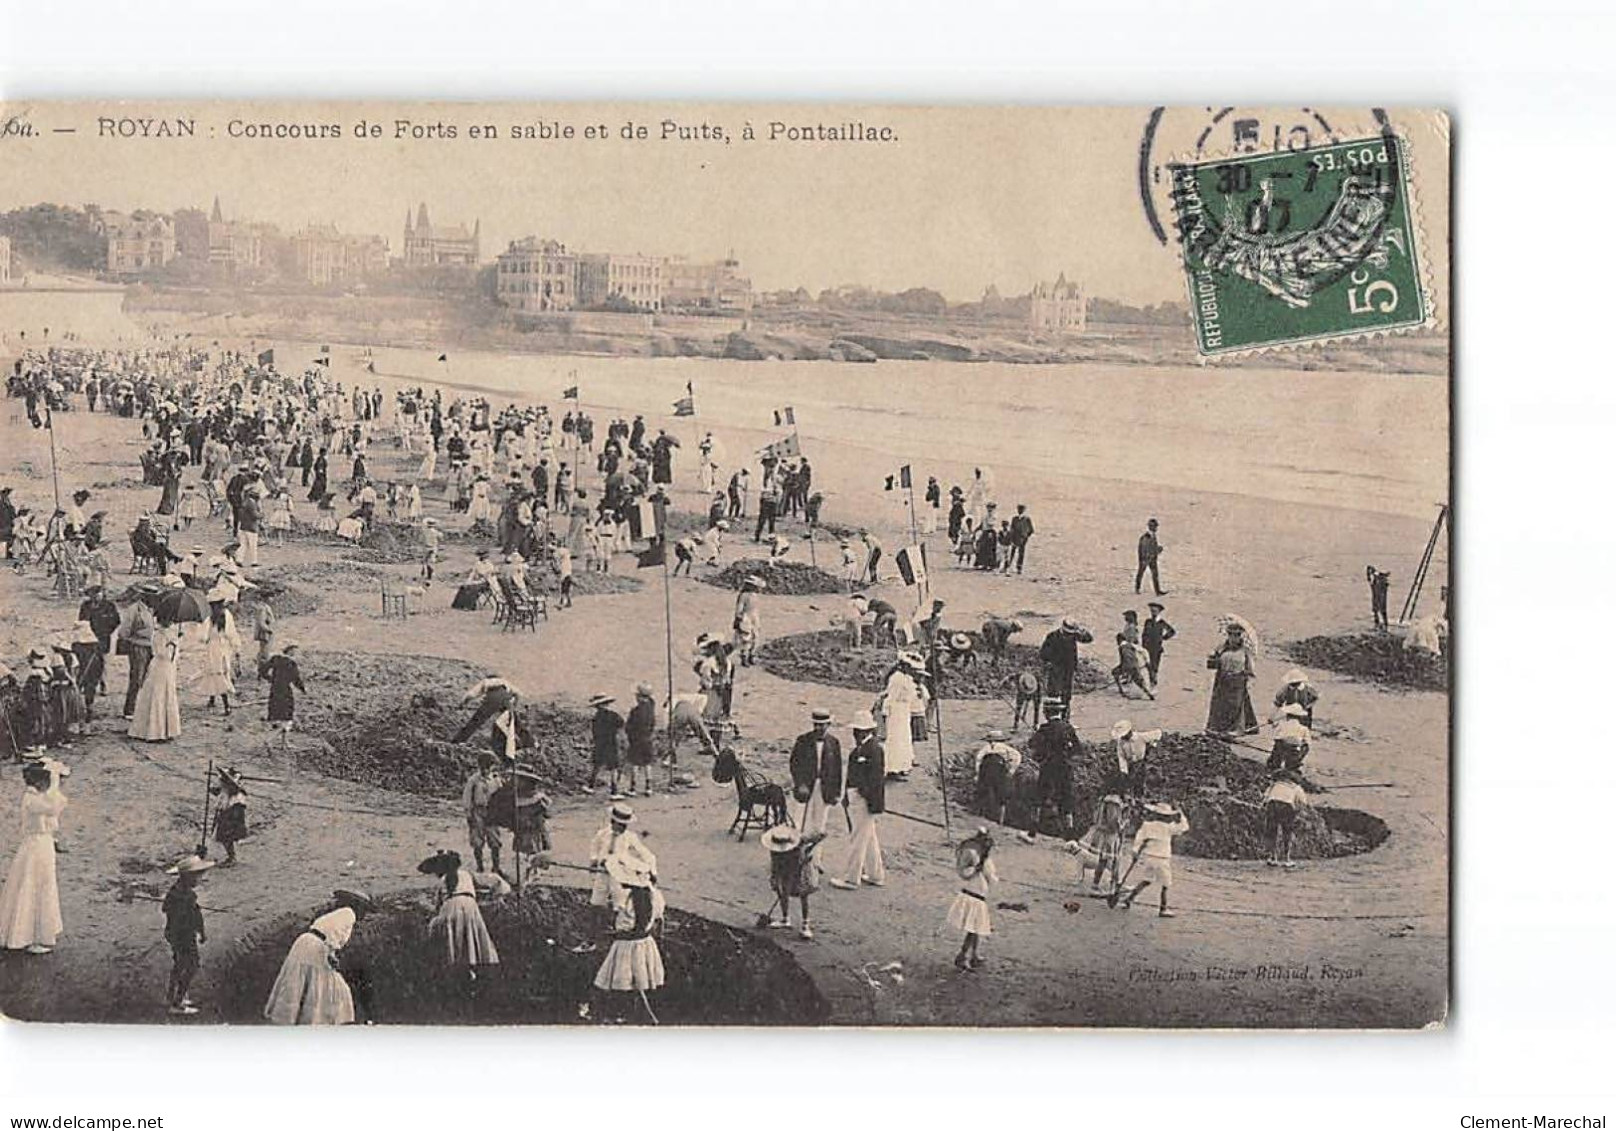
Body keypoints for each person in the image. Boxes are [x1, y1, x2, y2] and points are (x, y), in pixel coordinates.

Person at [263, 890, 376, 1025]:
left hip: (307, 944)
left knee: (308, 982)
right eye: (364, 909)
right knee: (337, 988)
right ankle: (322, 1019)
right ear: (358, 906)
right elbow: (332, 933)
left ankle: (297, 1018)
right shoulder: (348, 914)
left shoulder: (336, 914)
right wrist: (331, 952)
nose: (364, 914)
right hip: (316, 947)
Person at [0, 760, 68, 954]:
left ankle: (30, 934)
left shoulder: (36, 797)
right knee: (35, 887)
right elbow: (55, 806)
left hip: (41, 845)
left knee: (37, 886)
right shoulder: (33, 800)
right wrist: (54, 782)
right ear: (40, 783)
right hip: (36, 848)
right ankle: (29, 936)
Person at [593, 856, 666, 1018]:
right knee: (638, 979)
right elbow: (658, 919)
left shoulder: (626, 898)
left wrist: (609, 934)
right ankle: (638, 1010)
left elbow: (616, 917)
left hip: (627, 945)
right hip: (645, 943)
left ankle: (629, 1013)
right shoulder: (655, 895)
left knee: (622, 980)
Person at [829, 710, 886, 891]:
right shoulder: (860, 748)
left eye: (858, 730)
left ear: (866, 730)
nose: (855, 734)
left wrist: (867, 797)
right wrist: (847, 794)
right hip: (855, 795)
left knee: (858, 838)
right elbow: (852, 775)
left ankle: (851, 878)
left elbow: (876, 779)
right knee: (868, 837)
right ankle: (876, 874)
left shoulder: (874, 749)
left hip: (864, 799)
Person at [422, 850, 500, 980]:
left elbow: (437, 907)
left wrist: (425, 906)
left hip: (450, 907)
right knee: (471, 936)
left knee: (453, 937)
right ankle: (473, 969)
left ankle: (456, 970)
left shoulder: (442, 881)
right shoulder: (466, 874)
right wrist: (494, 895)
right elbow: (491, 881)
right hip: (470, 905)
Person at [1112, 801, 1189, 917]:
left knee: (1146, 880)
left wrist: (1135, 852)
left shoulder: (1147, 825)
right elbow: (1184, 827)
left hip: (1149, 857)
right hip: (1162, 859)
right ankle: (1163, 908)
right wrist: (1181, 813)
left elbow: (1139, 839)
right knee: (1165, 884)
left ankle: (1129, 899)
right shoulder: (1169, 827)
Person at [162, 854, 215, 1015]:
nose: (199, 879)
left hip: (178, 934)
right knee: (191, 966)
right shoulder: (182, 895)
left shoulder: (179, 893)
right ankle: (177, 1003)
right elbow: (190, 917)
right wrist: (198, 929)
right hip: (182, 936)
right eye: (197, 876)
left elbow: (166, 908)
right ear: (188, 877)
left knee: (179, 965)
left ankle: (172, 997)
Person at [763, 824, 826, 941]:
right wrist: (775, 878)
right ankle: (785, 918)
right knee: (781, 890)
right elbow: (775, 867)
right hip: (783, 870)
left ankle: (805, 924)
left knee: (803, 894)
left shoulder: (799, 842)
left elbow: (818, 836)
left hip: (800, 869)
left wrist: (815, 841)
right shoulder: (774, 851)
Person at [948, 828, 998, 972]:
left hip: (974, 895)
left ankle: (974, 955)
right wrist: (981, 870)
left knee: (976, 928)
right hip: (975, 897)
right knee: (973, 929)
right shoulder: (981, 860)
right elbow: (991, 879)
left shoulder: (976, 857)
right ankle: (962, 955)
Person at [788, 708, 843, 836]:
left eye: (822, 725)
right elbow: (794, 764)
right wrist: (800, 783)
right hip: (806, 786)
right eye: (816, 725)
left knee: (819, 825)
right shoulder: (803, 740)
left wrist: (836, 793)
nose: (818, 728)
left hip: (825, 788)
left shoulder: (834, 743)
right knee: (799, 822)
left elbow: (837, 770)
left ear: (828, 725)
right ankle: (797, 853)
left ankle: (816, 854)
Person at [128, 621, 182, 742]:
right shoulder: (157, 634)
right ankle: (155, 731)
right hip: (159, 666)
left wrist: (176, 644)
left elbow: (175, 655)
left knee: (168, 695)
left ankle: (168, 730)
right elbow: (160, 652)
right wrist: (170, 645)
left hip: (169, 668)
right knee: (157, 695)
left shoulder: (171, 633)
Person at [1068, 794, 1128, 896]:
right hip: (1108, 835)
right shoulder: (1113, 803)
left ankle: (1112, 883)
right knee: (1108, 860)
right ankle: (1105, 884)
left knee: (1108, 860)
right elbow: (1112, 822)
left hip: (1107, 833)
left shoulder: (1107, 800)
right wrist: (1123, 825)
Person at [1206, 620, 1259, 736]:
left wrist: (1247, 677)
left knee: (1236, 705)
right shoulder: (1221, 648)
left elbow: (1249, 667)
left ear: (1240, 636)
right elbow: (1211, 664)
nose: (1233, 638)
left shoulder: (1245, 650)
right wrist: (1213, 659)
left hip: (1238, 679)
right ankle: (1216, 728)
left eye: (1236, 635)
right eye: (1231, 634)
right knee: (1219, 703)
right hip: (1222, 678)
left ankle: (1235, 729)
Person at [880, 653, 925, 778]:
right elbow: (891, 697)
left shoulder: (908, 679)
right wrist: (886, 713)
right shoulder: (896, 678)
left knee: (904, 738)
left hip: (904, 711)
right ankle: (892, 769)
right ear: (904, 666)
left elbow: (911, 696)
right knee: (895, 740)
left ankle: (902, 766)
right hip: (895, 712)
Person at [118, 593, 158, 720]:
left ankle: (142, 707)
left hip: (151, 646)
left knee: (148, 678)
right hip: (137, 646)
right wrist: (134, 638)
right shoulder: (134, 610)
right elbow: (124, 631)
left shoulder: (151, 609)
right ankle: (129, 709)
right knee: (136, 677)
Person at [1039, 616, 1093, 708]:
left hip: (1069, 667)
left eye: (1071, 634)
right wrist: (1048, 663)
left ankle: (1065, 715)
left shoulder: (1073, 635)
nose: (1069, 636)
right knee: (1053, 692)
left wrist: (1083, 631)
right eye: (1067, 633)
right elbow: (1043, 653)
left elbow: (1088, 639)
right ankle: (1053, 714)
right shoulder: (1052, 636)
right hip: (1056, 667)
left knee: (1067, 693)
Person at [463, 753, 503, 874]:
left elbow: (501, 796)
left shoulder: (496, 779)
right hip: (478, 812)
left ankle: (496, 867)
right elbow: (467, 798)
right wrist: (469, 814)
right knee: (477, 841)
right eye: (485, 766)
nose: (487, 769)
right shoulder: (473, 780)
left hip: (492, 813)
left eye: (490, 766)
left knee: (495, 841)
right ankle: (480, 866)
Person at [261, 642, 306, 750]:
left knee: (278, 716)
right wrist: (303, 690)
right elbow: (296, 680)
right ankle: (269, 740)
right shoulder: (291, 664)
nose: (295, 652)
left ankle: (283, 743)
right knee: (286, 717)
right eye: (294, 650)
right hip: (285, 692)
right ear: (290, 650)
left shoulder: (275, 659)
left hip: (275, 691)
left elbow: (262, 670)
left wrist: (270, 679)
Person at [973, 728, 1022, 825]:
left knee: (986, 793)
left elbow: (978, 760)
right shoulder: (1006, 748)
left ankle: (985, 816)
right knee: (1001, 795)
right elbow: (1017, 756)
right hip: (999, 772)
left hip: (988, 772)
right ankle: (999, 819)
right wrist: (1012, 769)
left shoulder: (986, 748)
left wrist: (978, 774)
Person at [1263, 769, 1310, 869]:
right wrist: (1298, 812)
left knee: (1272, 832)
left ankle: (1273, 857)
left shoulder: (1274, 785)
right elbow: (1303, 803)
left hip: (1272, 805)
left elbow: (1265, 798)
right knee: (1287, 832)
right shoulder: (1296, 788)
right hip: (1286, 806)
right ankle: (1287, 859)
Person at [198, 602, 237, 716]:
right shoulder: (226, 616)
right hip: (223, 648)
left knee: (215, 674)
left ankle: (226, 705)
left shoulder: (209, 619)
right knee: (221, 674)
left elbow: (203, 637)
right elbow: (231, 634)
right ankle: (213, 700)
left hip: (213, 649)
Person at [588, 693, 627, 797]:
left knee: (597, 765)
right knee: (613, 767)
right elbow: (621, 724)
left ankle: (590, 786)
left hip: (600, 743)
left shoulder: (596, 718)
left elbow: (594, 732)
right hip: (611, 743)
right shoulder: (613, 715)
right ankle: (614, 791)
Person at [1111, 719, 1162, 797]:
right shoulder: (1121, 743)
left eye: (1124, 736)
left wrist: (1153, 745)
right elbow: (1121, 757)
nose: (1123, 738)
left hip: (1142, 762)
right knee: (1131, 781)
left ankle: (1145, 794)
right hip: (1131, 764)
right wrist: (1124, 771)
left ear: (1129, 732)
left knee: (1144, 779)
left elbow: (1158, 733)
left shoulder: (1140, 737)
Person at [624, 684, 658, 796]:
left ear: (639, 696)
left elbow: (628, 727)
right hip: (648, 739)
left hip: (637, 740)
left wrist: (629, 736)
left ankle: (633, 788)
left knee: (635, 764)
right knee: (647, 764)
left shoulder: (635, 711)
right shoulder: (651, 708)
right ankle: (648, 787)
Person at [211, 767, 249, 866]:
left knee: (227, 837)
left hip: (232, 816)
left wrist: (230, 819)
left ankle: (232, 858)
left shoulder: (238, 795)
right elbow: (219, 792)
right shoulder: (226, 789)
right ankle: (231, 856)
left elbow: (238, 809)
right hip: (226, 814)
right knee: (224, 837)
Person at [1266, 703, 1312, 771]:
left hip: (1280, 748)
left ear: (1287, 716)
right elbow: (1307, 744)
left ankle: (1274, 764)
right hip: (1294, 750)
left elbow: (1275, 734)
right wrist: (1300, 757)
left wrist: (1273, 722)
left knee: (1273, 760)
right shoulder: (1304, 728)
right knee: (1294, 761)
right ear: (1300, 717)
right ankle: (1294, 764)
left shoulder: (1281, 724)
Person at [733, 574, 765, 666]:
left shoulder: (755, 596)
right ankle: (744, 657)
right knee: (746, 638)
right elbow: (739, 608)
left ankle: (752, 655)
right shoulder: (744, 596)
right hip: (746, 617)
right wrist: (738, 618)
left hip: (754, 617)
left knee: (756, 637)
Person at [1141, 602, 1175, 688]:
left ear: (1159, 612)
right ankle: (1149, 680)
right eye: (1152, 611)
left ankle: (1153, 681)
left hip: (1156, 647)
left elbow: (1172, 631)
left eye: (1155, 611)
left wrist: (1163, 638)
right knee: (1147, 664)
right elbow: (1144, 634)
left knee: (1155, 664)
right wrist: (1143, 644)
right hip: (1147, 646)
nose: (1153, 613)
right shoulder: (1148, 621)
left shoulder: (1161, 623)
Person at [1135, 517, 1165, 596]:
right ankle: (1137, 588)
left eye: (1156, 526)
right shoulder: (1146, 537)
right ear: (1150, 527)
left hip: (1152, 558)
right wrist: (1144, 558)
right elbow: (1144, 549)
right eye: (1155, 526)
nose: (1156, 528)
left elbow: (1151, 547)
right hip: (1146, 559)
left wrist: (1157, 550)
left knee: (1155, 575)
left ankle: (1157, 591)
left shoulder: (1152, 536)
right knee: (1141, 573)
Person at [1367, 566, 1391, 631]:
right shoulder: (1375, 581)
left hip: (1379, 596)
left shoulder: (1380, 583)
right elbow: (1369, 568)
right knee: (1377, 609)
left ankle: (1384, 625)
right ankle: (1379, 624)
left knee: (1381, 610)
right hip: (1377, 596)